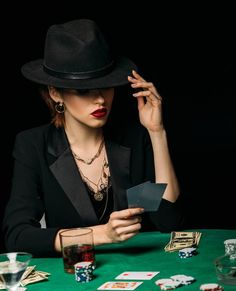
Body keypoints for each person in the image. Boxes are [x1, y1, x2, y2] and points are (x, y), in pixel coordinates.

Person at [2, 19, 184, 257]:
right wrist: (101, 235)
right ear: (55, 93)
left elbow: (166, 219)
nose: (100, 99)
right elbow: (18, 236)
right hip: (73, 277)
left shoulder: (131, 139)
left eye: (106, 86)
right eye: (83, 91)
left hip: (135, 275)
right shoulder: (34, 146)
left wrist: (157, 132)